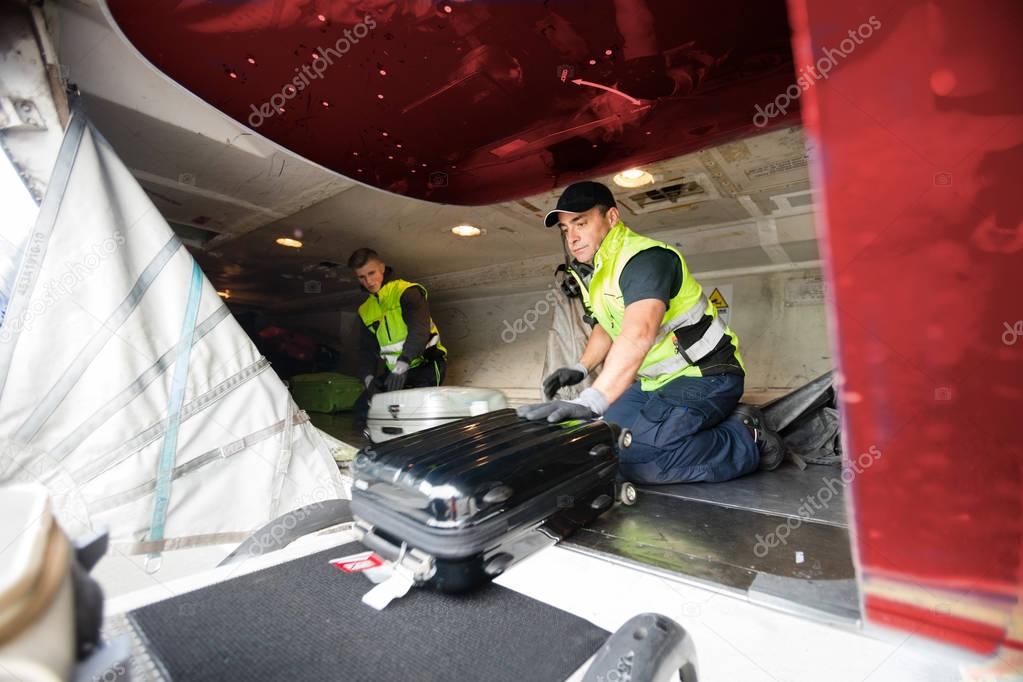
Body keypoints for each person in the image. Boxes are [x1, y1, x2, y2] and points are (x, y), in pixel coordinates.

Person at [518, 181, 783, 483]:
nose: (573, 238)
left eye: (581, 223)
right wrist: (580, 368)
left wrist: (591, 401)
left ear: (612, 218)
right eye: (566, 230)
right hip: (654, 383)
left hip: (708, 374)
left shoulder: (645, 259)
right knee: (603, 442)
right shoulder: (597, 274)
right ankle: (700, 428)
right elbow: (607, 327)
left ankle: (747, 435)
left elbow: (638, 333)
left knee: (644, 459)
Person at [348, 248, 447, 430]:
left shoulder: (406, 292)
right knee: (362, 411)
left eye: (372, 273)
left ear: (382, 268)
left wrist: (403, 364)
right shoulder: (365, 310)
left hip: (425, 365)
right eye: (362, 277)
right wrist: (369, 381)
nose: (368, 281)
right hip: (393, 372)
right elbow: (367, 350)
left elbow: (419, 331)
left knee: (411, 413)